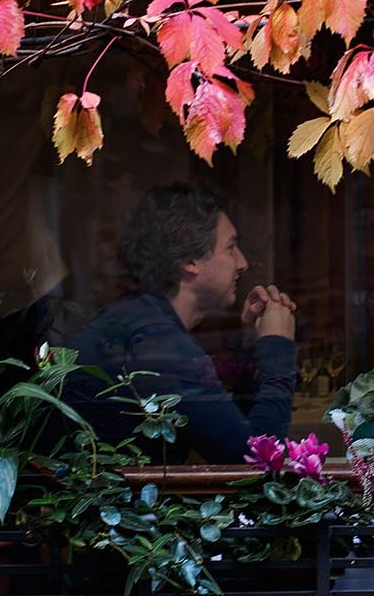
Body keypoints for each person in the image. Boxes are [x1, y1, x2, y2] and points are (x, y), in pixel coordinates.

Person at [66, 183, 298, 463]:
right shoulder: (156, 343)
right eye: (231, 247)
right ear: (190, 260)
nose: (243, 263)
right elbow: (254, 462)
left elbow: (232, 435)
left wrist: (252, 347)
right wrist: (277, 349)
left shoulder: (143, 321)